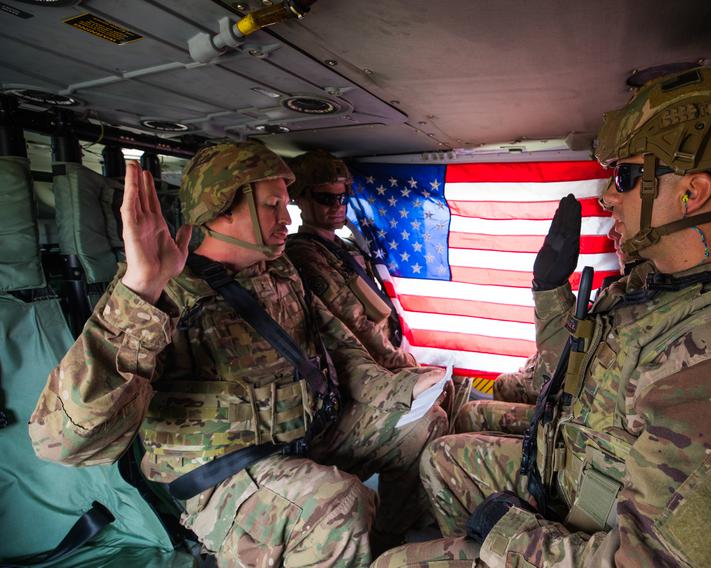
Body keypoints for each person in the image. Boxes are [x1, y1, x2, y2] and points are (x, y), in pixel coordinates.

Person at [373, 64, 711, 567]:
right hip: (582, 467)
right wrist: (549, 290)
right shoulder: (655, 293)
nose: (609, 196)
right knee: (444, 457)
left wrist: (509, 538)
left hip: (594, 517)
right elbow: (562, 372)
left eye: (626, 177)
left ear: (691, 193)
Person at [28, 141, 447, 567]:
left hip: (305, 440)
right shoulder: (163, 292)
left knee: (422, 426)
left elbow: (337, 347)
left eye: (287, 205)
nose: (288, 219)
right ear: (223, 206)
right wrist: (141, 288)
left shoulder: (280, 273)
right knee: (335, 506)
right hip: (223, 476)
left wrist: (400, 390)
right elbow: (63, 442)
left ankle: (383, 546)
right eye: (272, 205)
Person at [284, 149, 416, 371]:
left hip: (385, 356)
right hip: (361, 366)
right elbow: (354, 323)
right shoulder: (304, 253)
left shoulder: (346, 247)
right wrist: (404, 363)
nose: (337, 206)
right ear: (301, 199)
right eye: (325, 198)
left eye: (342, 198)